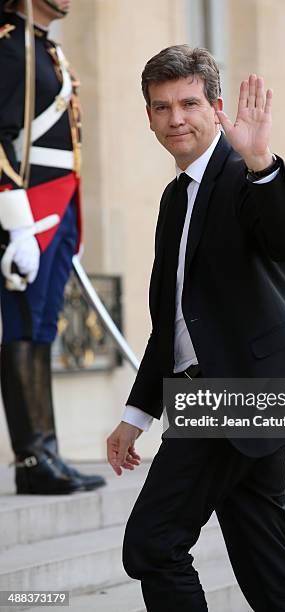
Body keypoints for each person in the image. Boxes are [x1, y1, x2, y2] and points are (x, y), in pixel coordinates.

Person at [107, 44, 285, 611]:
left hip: (239, 393)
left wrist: (261, 164)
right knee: (265, 563)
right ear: (149, 115)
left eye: (189, 103)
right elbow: (173, 319)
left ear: (217, 106)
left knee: (153, 544)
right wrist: (136, 415)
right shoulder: (175, 198)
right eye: (161, 107)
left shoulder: (245, 175)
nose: (175, 118)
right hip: (233, 391)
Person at [0, 0, 105, 494]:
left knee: (42, 328)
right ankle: (30, 458)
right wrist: (16, 221)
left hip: (58, 207)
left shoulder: (45, 48)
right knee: (22, 325)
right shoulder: (8, 43)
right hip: (27, 209)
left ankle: (48, 449)